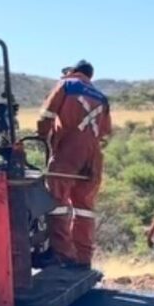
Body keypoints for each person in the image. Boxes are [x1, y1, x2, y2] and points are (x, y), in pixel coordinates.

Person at [37, 60, 112, 267]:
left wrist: (43, 138)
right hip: (93, 156)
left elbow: (46, 115)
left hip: (68, 151)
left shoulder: (67, 84)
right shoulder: (102, 97)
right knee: (84, 208)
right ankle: (83, 258)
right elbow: (106, 133)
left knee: (57, 201)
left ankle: (62, 255)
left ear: (73, 71)